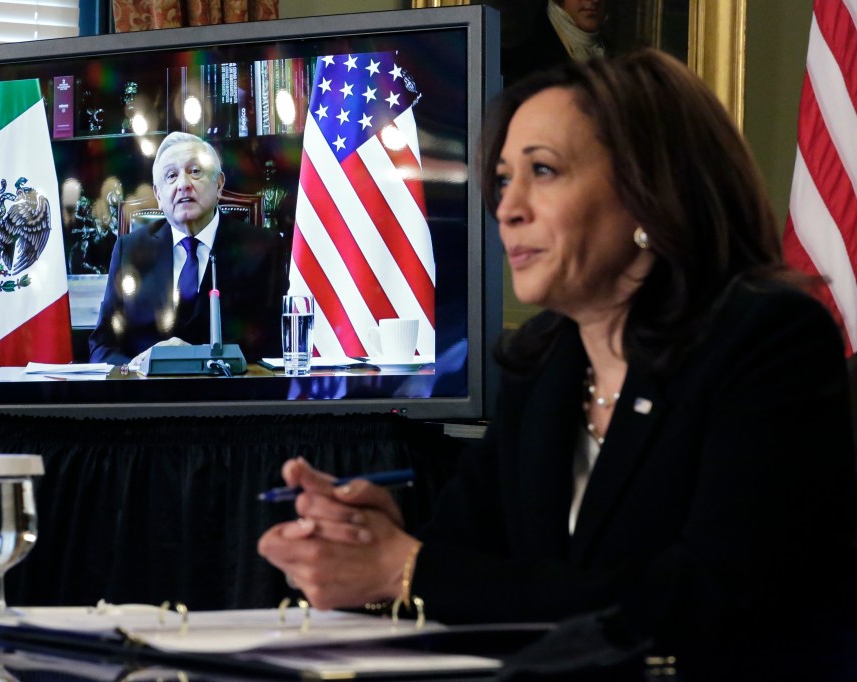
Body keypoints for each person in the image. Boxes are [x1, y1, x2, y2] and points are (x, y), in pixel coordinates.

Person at [258, 49, 857, 671]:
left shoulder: (768, 340)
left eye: (542, 171)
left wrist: (408, 567)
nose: (507, 209)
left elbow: (706, 599)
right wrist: (374, 534)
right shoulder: (544, 366)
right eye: (503, 180)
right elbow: (464, 564)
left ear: (648, 192)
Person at [88, 132, 287, 364]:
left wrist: (196, 358)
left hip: (229, 395)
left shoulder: (263, 250)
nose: (183, 184)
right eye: (171, 176)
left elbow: (276, 350)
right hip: (148, 396)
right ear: (158, 196)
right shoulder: (129, 251)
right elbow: (102, 346)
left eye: (195, 172)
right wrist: (136, 369)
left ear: (219, 184)